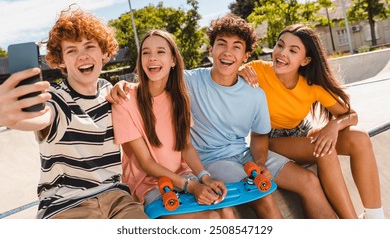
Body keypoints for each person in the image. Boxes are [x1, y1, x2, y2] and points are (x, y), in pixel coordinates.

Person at [109, 14, 336, 219]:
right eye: (221, 45)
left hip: (245, 154)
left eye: (236, 47)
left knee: (309, 180)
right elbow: (156, 75)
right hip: (211, 161)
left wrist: (258, 162)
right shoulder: (189, 82)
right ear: (211, 50)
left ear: (246, 55)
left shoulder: (254, 92)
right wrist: (123, 85)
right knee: (260, 196)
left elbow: (259, 136)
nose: (228, 52)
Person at [2, 5, 148, 219]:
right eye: (72, 50)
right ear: (61, 60)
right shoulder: (56, 99)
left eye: (89, 47)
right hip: (65, 205)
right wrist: (11, 116)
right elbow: (42, 117)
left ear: (104, 52)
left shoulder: (111, 92)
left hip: (117, 199)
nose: (82, 56)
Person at [239, 23, 384, 219]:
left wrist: (334, 125)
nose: (282, 53)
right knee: (324, 149)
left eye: (293, 50)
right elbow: (225, 72)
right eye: (280, 45)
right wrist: (239, 70)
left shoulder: (311, 85)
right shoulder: (257, 70)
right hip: (270, 139)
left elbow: (351, 115)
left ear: (305, 60)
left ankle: (376, 218)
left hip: (301, 133)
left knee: (360, 138)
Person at [110, 29, 234, 219]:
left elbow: (186, 146)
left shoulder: (179, 99)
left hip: (184, 176)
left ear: (173, 60)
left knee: (226, 210)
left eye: (160, 52)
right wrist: (191, 186)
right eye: (146, 53)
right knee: (210, 218)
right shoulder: (125, 100)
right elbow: (146, 163)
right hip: (150, 185)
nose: (152, 58)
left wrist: (205, 177)